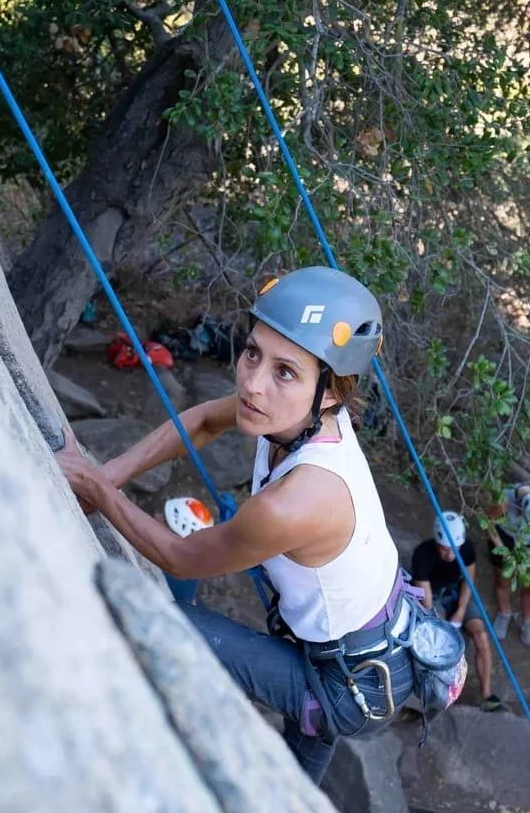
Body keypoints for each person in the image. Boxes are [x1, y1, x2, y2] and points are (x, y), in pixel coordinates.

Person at [54, 266, 415, 782]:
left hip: (346, 685)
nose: (252, 382)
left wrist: (94, 488)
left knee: (150, 619)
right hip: (351, 646)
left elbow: (184, 557)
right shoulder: (298, 419)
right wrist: (106, 474)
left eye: (284, 371)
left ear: (332, 392)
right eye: (252, 353)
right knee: (295, 787)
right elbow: (203, 420)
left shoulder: (299, 499)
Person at [409, 512, 502, 712]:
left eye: (454, 550)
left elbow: (468, 581)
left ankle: (487, 695)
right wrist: (442, 625)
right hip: (435, 597)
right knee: (436, 645)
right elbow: (427, 604)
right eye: (444, 550)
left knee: (481, 636)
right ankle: (437, 694)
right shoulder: (422, 556)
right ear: (436, 543)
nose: (450, 555)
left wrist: (460, 610)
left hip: (457, 591)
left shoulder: (466, 547)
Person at [486, 479, 530, 647]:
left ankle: (526, 620)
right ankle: (504, 613)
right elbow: (489, 525)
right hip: (505, 538)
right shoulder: (504, 500)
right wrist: (503, 550)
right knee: (503, 581)